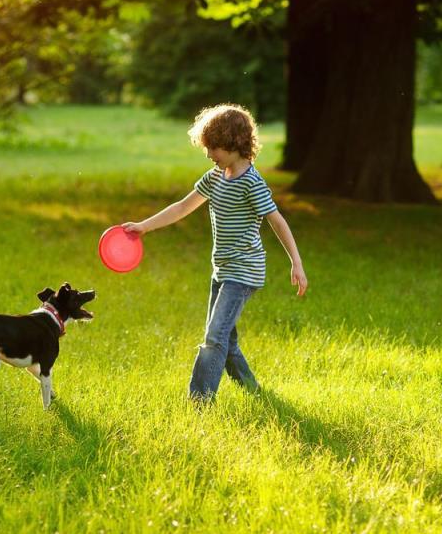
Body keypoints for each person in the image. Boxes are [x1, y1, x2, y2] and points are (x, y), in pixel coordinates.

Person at [122, 103, 308, 402]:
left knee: (214, 337)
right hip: (221, 269)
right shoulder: (215, 178)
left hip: (244, 272)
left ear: (234, 144)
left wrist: (296, 263)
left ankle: (199, 401)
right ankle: (254, 391)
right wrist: (144, 226)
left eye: (213, 148)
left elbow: (277, 221)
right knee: (226, 339)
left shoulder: (252, 184)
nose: (209, 155)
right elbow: (183, 206)